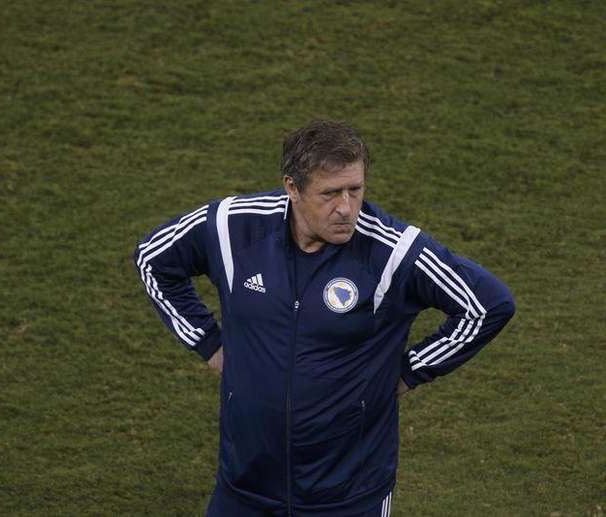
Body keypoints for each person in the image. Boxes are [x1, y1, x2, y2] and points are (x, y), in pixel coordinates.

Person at [133, 120, 515, 516]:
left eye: (356, 189)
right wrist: (209, 343)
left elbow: (488, 304)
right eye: (330, 194)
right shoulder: (233, 227)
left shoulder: (394, 252)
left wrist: (407, 373)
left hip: (348, 495)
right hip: (244, 486)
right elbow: (152, 259)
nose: (347, 208)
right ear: (292, 188)